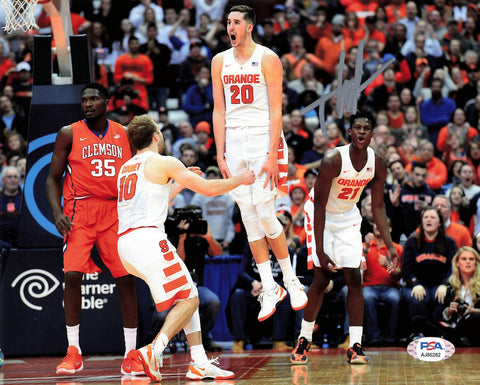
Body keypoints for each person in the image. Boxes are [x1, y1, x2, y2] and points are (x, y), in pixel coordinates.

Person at [117, 114, 254, 381]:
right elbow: (208, 189)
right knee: (191, 300)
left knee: (188, 294)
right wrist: (240, 179)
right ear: (157, 136)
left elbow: (154, 199)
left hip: (125, 244)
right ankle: (153, 351)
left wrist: (179, 182)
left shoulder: (127, 167)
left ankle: (199, 362)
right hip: (148, 239)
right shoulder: (163, 161)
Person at [211, 5, 307, 323]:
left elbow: (277, 110)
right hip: (234, 144)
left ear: (249, 27)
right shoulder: (219, 61)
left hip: (265, 139)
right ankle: (270, 286)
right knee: (249, 218)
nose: (230, 27)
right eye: (228, 22)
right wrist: (220, 153)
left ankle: (290, 281)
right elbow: (219, 111)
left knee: (266, 214)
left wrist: (272, 155)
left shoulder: (267, 58)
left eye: (236, 22)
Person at [45, 83, 141, 376]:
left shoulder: (125, 134)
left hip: (116, 210)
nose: (87, 104)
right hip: (81, 211)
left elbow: (140, 170)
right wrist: (57, 212)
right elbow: (52, 178)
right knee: (72, 274)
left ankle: (131, 353)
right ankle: (73, 351)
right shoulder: (69, 133)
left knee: (126, 279)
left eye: (93, 99)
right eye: (84, 100)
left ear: (106, 102)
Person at [291, 111, 399, 364]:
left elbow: (379, 207)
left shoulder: (378, 162)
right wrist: (319, 249)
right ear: (349, 132)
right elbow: (318, 206)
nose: (361, 132)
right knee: (321, 278)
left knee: (354, 277)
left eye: (366, 128)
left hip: (348, 215)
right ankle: (304, 338)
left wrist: (391, 246)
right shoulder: (333, 159)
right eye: (357, 128)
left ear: (372, 135)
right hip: (321, 215)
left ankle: (356, 345)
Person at [401, 207, 457, 331]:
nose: (428, 220)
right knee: (418, 299)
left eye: (432, 217)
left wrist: (445, 284)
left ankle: (438, 333)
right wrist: (415, 283)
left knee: (441, 297)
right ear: (421, 222)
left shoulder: (449, 243)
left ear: (440, 223)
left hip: (440, 284)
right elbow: (405, 269)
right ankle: (417, 333)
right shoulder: (412, 242)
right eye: (425, 217)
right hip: (417, 285)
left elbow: (453, 268)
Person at [0, 166, 21, 247]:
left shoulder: (25, 199)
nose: (13, 180)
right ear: (3, 180)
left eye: (15, 177)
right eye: (9, 177)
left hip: (20, 242)